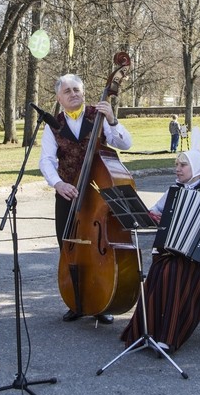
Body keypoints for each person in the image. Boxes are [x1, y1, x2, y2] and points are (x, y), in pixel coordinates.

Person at [120, 127, 200, 353]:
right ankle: (148, 332)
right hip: (174, 251)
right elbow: (153, 212)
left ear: (195, 169)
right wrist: (152, 216)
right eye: (176, 165)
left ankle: (170, 337)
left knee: (174, 272)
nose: (177, 169)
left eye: (182, 165)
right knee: (159, 270)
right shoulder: (173, 191)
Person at [38, 73, 132, 325]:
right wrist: (58, 184)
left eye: (77, 89)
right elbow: (46, 160)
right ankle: (77, 301)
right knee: (69, 247)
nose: (73, 94)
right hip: (68, 193)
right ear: (59, 97)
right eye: (67, 91)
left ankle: (102, 302)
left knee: (100, 247)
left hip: (99, 192)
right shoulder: (53, 124)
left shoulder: (99, 115)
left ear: (83, 91)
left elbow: (126, 143)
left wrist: (112, 121)